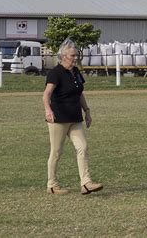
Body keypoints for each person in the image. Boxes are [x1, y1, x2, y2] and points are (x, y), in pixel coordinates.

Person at [43, 38, 103, 194]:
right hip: (59, 119)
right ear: (63, 56)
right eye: (72, 56)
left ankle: (86, 183)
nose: (75, 58)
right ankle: (52, 185)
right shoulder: (55, 73)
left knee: (82, 147)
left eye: (77, 55)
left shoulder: (75, 72)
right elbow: (46, 95)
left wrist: (87, 111)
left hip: (75, 118)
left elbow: (79, 93)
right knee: (56, 152)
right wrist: (48, 110)